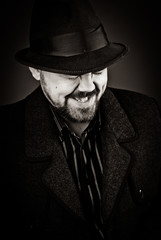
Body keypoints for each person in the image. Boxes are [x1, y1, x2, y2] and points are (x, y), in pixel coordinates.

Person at [1, 0, 161, 239]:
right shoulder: (4, 138)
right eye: (71, 73)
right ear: (36, 71)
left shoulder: (148, 116)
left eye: (98, 70)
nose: (88, 86)